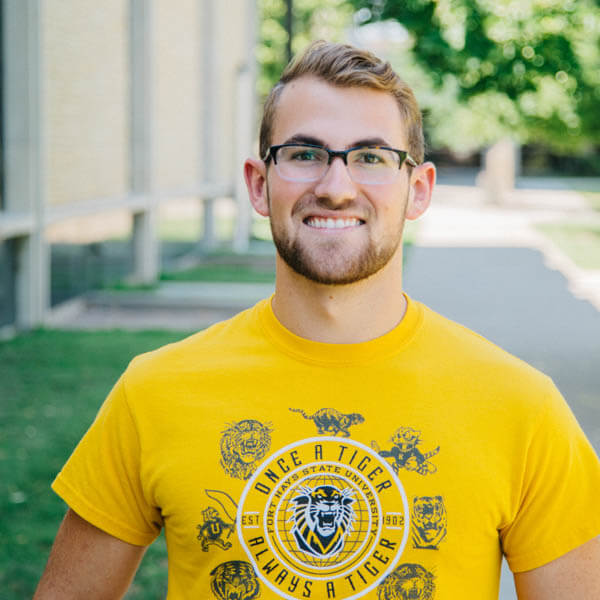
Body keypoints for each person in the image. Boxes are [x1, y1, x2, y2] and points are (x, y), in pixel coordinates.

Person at [35, 41, 600, 600]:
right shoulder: (152, 393)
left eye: (371, 157)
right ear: (260, 184)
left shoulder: (522, 407)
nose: (335, 188)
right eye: (305, 154)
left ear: (418, 189)